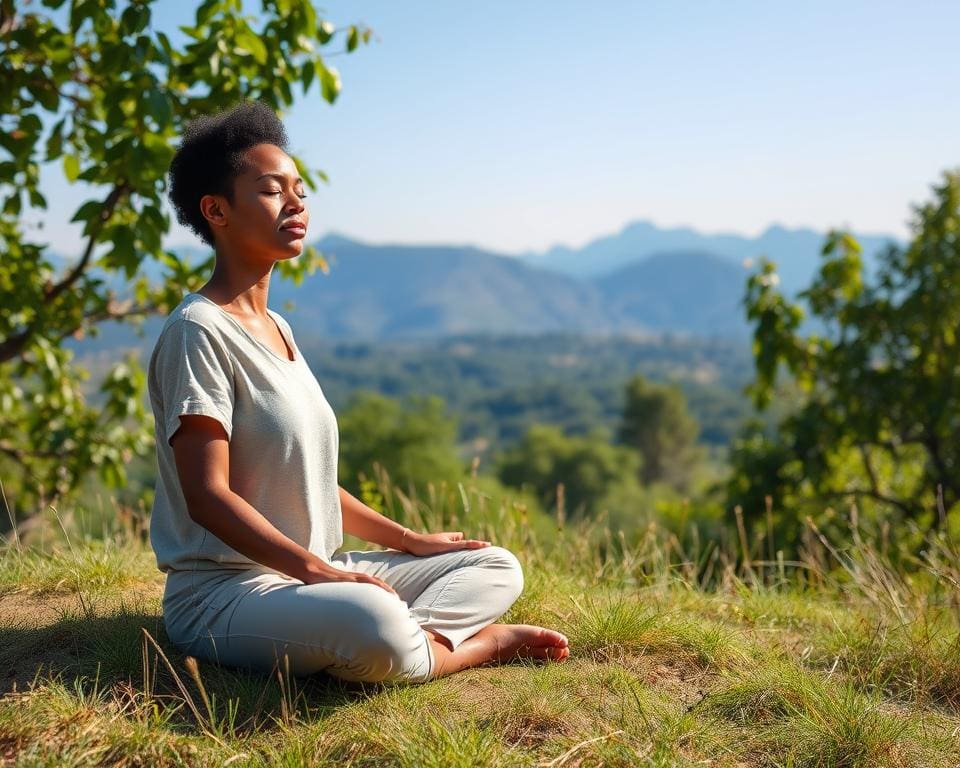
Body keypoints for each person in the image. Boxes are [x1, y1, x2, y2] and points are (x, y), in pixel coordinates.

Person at [148, 102, 570, 683]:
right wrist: (322, 576)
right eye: (273, 191)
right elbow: (206, 495)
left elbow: (308, 479)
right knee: (370, 618)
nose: (296, 203)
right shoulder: (198, 330)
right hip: (227, 592)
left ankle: (396, 647)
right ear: (216, 210)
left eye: (300, 190)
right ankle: (470, 647)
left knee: (494, 566)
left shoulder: (280, 330)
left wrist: (408, 540)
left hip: (311, 573)